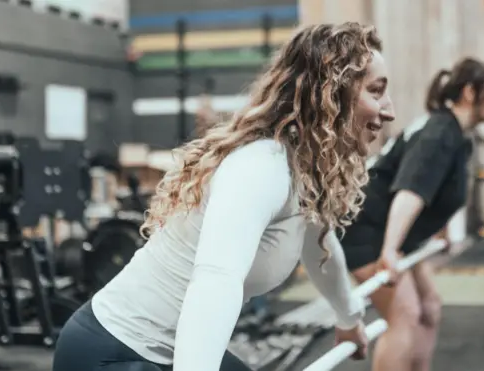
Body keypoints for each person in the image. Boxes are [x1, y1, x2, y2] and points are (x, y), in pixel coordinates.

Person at [52, 22, 395, 371]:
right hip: (108, 354)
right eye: (376, 91)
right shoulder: (263, 167)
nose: (389, 109)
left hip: (168, 354)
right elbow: (216, 281)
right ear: (331, 95)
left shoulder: (302, 168)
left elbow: (320, 247)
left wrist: (349, 318)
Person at [339, 58, 484, 371]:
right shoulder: (440, 133)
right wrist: (389, 249)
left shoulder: (453, 132)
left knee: (429, 307)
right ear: (470, 92)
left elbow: (435, 191)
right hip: (366, 229)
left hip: (390, 230)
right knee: (404, 315)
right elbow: (409, 193)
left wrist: (436, 229)